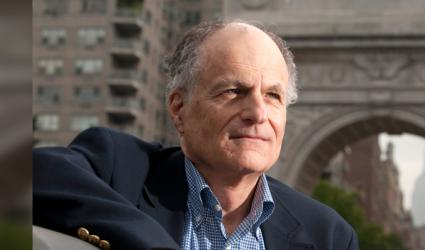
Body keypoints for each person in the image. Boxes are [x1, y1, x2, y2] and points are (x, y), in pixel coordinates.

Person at [33, 20, 358, 250]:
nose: (258, 113)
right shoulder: (119, 168)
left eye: (273, 96)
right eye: (234, 91)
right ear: (178, 108)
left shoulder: (330, 236)